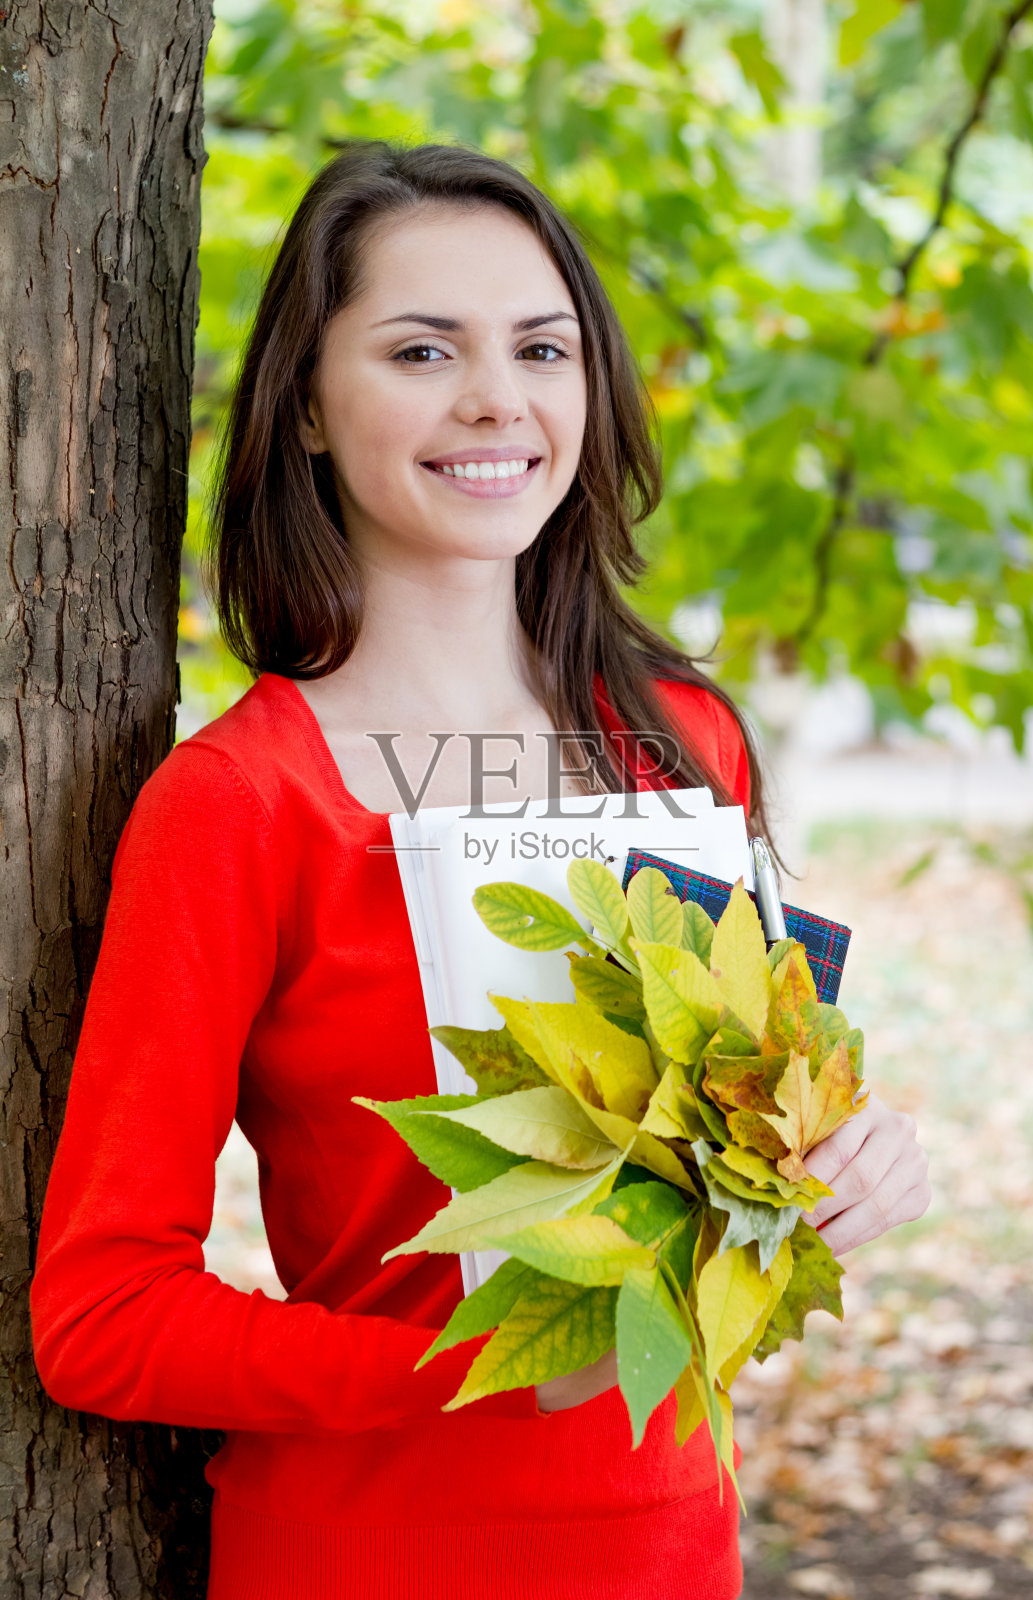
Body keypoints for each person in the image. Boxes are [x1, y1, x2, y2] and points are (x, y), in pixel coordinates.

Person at [29, 140, 930, 1600]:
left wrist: (846, 1162)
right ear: (309, 407)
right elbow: (103, 1314)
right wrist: (468, 1367)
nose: (497, 398)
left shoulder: (681, 739)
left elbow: (740, 1142)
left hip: (669, 1543)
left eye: (540, 347)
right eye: (421, 349)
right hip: (371, 1551)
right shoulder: (240, 803)